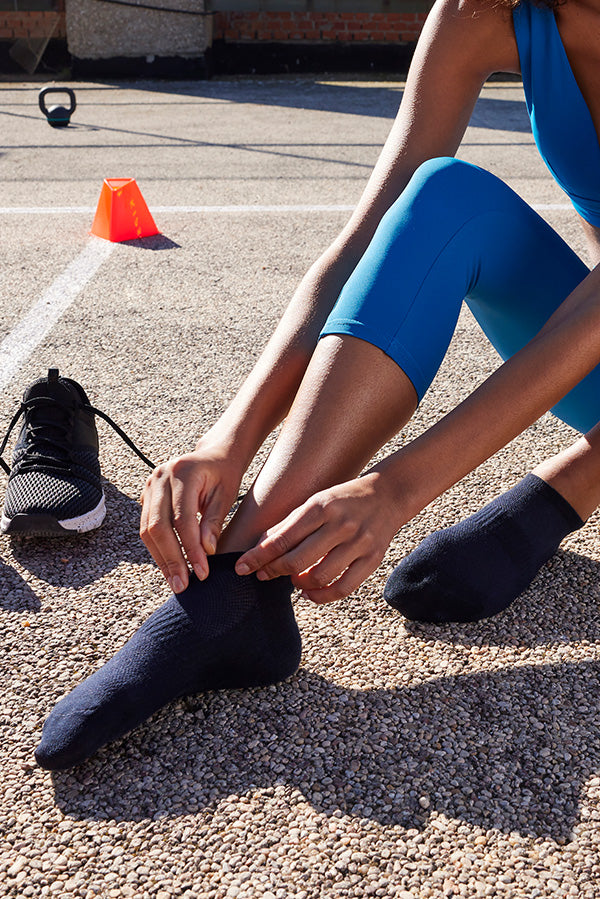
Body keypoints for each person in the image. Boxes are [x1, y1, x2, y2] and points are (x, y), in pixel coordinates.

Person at [35, 0, 600, 769]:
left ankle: (562, 489)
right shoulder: (486, 12)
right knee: (443, 197)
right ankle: (239, 586)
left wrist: (397, 488)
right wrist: (229, 441)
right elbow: (367, 242)